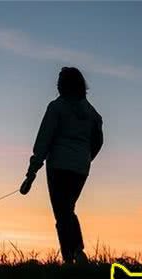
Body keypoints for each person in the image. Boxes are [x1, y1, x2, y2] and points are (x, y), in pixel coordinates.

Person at [20, 67, 103, 264]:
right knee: (67, 209)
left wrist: (32, 171)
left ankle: (75, 253)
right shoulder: (92, 113)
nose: (56, 84)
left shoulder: (56, 107)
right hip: (81, 167)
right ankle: (73, 256)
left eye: (59, 81)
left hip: (58, 166)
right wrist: (86, 158)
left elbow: (44, 140)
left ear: (64, 85)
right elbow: (98, 140)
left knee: (63, 211)